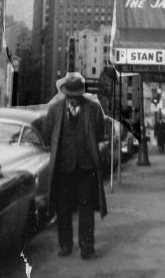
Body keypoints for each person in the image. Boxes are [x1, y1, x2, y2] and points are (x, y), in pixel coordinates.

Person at [41, 71, 107, 259]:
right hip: (63, 168)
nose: (74, 100)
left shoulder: (93, 108)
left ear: (81, 94)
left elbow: (101, 133)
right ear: (65, 94)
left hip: (86, 168)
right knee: (63, 208)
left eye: (77, 97)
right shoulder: (54, 109)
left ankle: (86, 245)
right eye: (70, 97)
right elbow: (47, 136)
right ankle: (65, 245)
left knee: (86, 205)